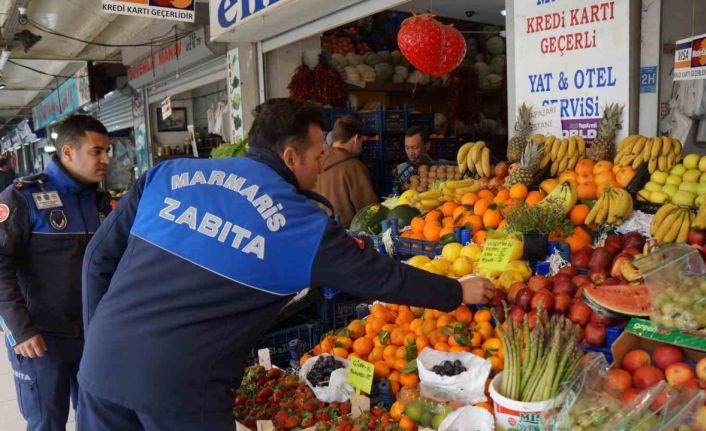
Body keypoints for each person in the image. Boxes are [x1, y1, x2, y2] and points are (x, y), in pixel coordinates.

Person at [77, 98, 495, 431]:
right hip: (181, 389)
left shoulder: (166, 174)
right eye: (318, 155)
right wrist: (458, 291)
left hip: (100, 367)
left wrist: (101, 339)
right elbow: (382, 278)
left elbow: (96, 259)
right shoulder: (300, 223)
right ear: (292, 155)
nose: (321, 167)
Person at [0, 115, 112, 431]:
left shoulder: (99, 201)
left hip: (93, 336)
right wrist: (20, 329)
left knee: (99, 420)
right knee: (47, 422)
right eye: (96, 151)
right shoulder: (22, 198)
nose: (106, 159)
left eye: (108, 151)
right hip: (41, 340)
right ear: (67, 152)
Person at [314, 115, 378, 225]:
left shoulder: (314, 162)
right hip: (346, 236)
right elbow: (369, 211)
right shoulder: (353, 167)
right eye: (361, 141)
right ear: (355, 139)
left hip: (319, 232)